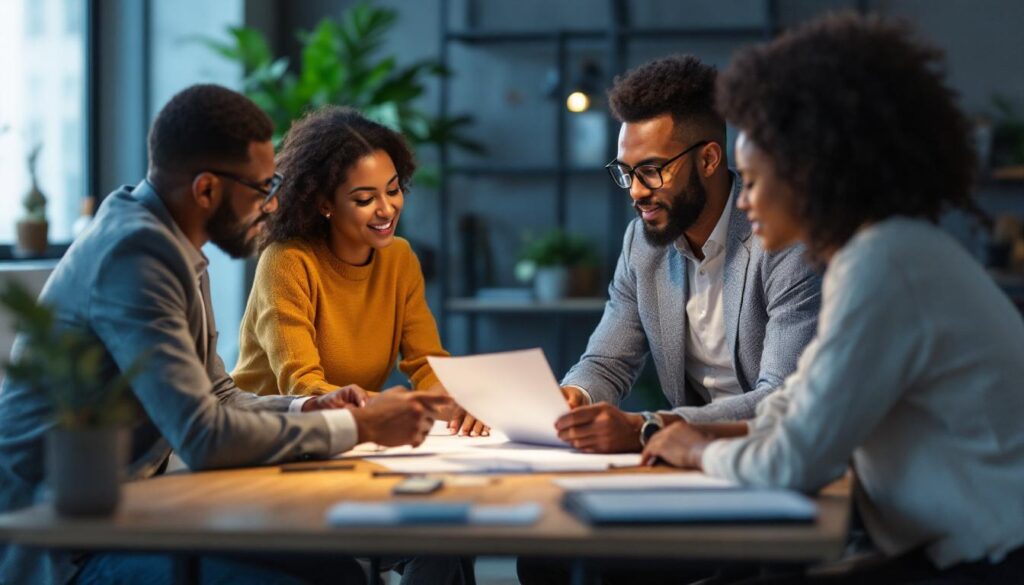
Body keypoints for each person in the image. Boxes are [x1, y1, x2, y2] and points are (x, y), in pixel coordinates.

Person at [0, 84, 450, 585]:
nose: (273, 205)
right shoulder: (137, 257)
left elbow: (218, 395)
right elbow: (204, 437)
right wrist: (358, 426)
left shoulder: (172, 246)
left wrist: (310, 407)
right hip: (64, 546)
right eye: (261, 188)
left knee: (338, 574)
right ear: (207, 190)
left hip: (124, 513)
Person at [641, 13, 1024, 584]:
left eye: (754, 180)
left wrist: (696, 452)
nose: (742, 201)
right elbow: (797, 403)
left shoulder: (885, 264)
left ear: (809, 173)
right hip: (962, 544)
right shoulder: (886, 251)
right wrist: (691, 434)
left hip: (988, 558)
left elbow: (793, 461)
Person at [553, 55, 821, 454]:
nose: (636, 191)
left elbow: (781, 397)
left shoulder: (783, 240)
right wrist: (574, 397)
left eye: (651, 170)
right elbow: (607, 362)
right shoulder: (642, 243)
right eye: (626, 172)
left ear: (709, 159)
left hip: (775, 455)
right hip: (693, 459)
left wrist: (651, 425)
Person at [232, 106, 487, 437]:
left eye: (393, 190)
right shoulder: (287, 262)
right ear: (325, 204)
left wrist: (455, 401)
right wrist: (398, 406)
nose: (387, 209)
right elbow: (304, 386)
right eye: (365, 199)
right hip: (264, 435)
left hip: (347, 431)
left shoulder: (399, 258)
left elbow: (426, 363)